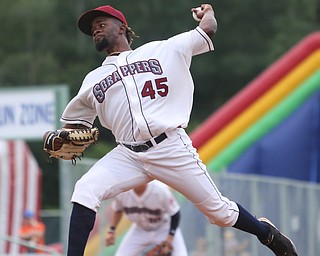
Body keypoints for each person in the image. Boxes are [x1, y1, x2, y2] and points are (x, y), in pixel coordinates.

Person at [48, 4, 298, 256]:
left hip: (170, 146)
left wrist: (208, 12)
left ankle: (268, 234)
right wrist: (64, 135)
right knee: (85, 189)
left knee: (220, 213)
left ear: (122, 27)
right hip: (127, 155)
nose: (96, 30)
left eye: (101, 24)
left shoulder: (163, 49)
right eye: (92, 29)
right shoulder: (92, 79)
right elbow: (76, 124)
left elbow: (207, 30)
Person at [105, 180, 188, 255]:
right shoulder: (122, 191)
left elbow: (175, 213)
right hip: (139, 229)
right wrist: (112, 230)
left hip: (164, 227)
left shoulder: (160, 189)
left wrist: (169, 238)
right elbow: (118, 210)